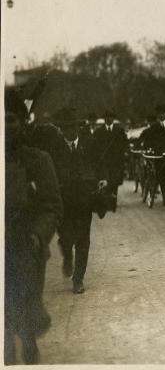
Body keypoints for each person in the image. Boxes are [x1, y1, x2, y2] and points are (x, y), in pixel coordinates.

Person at [4, 90, 62, 364]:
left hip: (27, 246)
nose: (4, 127)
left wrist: (39, 235)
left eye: (10, 120)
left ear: (23, 123)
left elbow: (52, 205)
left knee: (27, 302)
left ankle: (28, 341)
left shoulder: (39, 160)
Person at [53, 108, 107, 294]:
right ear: (61, 129)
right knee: (66, 237)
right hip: (62, 201)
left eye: (73, 127)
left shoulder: (89, 143)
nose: (70, 131)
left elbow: (100, 163)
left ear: (78, 127)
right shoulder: (55, 147)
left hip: (84, 199)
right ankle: (67, 254)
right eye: (66, 128)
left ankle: (78, 279)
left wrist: (102, 178)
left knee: (83, 239)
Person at [93, 110, 127, 206]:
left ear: (113, 119)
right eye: (106, 117)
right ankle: (105, 201)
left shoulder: (119, 131)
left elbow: (124, 143)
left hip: (116, 161)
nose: (108, 119)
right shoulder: (98, 132)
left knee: (114, 181)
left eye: (110, 117)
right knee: (105, 179)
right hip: (103, 161)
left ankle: (113, 201)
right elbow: (95, 145)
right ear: (104, 119)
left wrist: (122, 153)